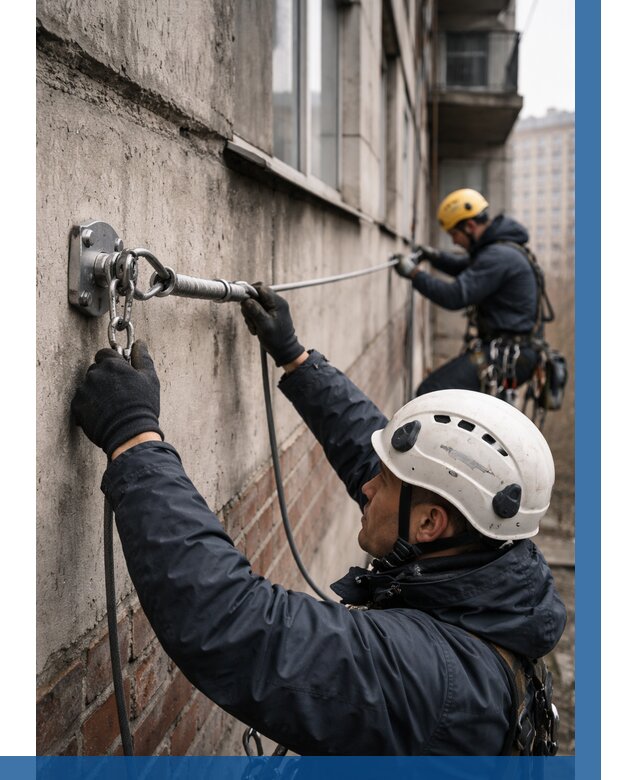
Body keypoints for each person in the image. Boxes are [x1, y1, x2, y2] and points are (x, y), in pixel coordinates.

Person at [71, 286, 566, 756]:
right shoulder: (486, 571)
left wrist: (134, 439)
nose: (367, 485)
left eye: (385, 484)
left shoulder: (433, 682)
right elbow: (377, 461)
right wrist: (297, 359)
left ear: (430, 524)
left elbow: (239, 626)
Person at [395, 188, 541, 398]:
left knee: (431, 392)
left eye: (455, 234)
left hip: (509, 354)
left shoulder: (498, 256)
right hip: (511, 349)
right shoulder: (498, 249)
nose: (454, 242)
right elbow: (466, 267)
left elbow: (454, 296)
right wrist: (434, 256)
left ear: (470, 226)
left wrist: (414, 274)